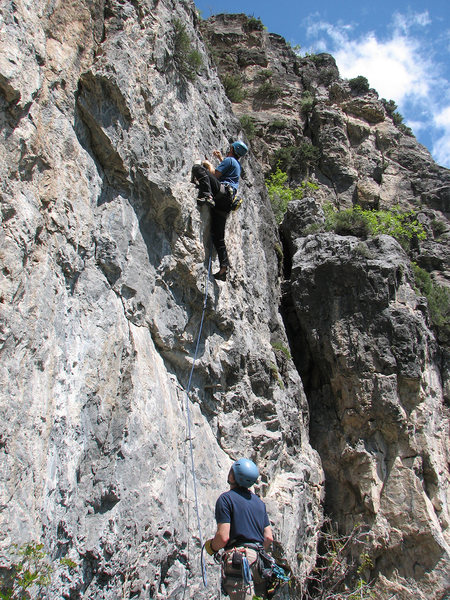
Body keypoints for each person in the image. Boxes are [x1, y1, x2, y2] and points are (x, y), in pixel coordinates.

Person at [204, 458, 274, 599]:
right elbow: (268, 537)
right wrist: (254, 553)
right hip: (259, 561)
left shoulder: (226, 499)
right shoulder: (259, 504)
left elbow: (223, 537)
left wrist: (212, 547)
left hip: (239, 559)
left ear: (233, 477)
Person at [191, 141, 248, 282]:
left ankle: (207, 195)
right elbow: (228, 170)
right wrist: (220, 158)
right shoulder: (236, 164)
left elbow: (215, 175)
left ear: (232, 148)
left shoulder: (229, 160)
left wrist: (209, 164)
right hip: (226, 202)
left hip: (220, 194)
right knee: (218, 235)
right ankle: (223, 268)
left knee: (198, 168)